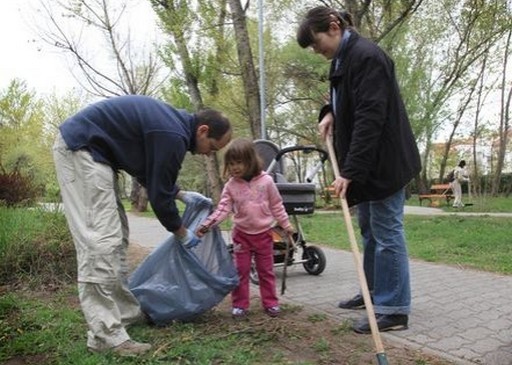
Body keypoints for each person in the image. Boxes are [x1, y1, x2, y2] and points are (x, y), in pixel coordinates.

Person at [52, 95, 232, 355]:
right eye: (213, 147)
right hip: (81, 150)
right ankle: (105, 336)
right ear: (203, 130)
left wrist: (180, 194)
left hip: (95, 154)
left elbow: (150, 173)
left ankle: (124, 313)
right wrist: (181, 232)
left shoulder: (173, 127)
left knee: (117, 237)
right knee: (100, 241)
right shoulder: (173, 134)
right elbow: (158, 195)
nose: (209, 154)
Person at [297, 6, 421, 334]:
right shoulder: (342, 58)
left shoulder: (367, 57)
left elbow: (370, 117)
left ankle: (393, 309)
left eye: (316, 42)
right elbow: (344, 97)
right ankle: (374, 294)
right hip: (365, 165)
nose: (315, 50)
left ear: (334, 26)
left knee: (386, 232)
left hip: (383, 162)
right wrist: (329, 112)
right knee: (370, 231)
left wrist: (349, 171)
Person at [196, 138, 294, 318]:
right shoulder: (231, 186)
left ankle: (271, 303)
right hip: (241, 236)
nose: (235, 167)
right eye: (231, 163)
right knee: (241, 271)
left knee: (266, 271)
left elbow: (277, 205)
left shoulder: (267, 182)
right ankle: (240, 304)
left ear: (250, 160)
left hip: (264, 234)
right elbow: (223, 208)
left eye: (239, 162)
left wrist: (286, 224)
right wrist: (207, 224)